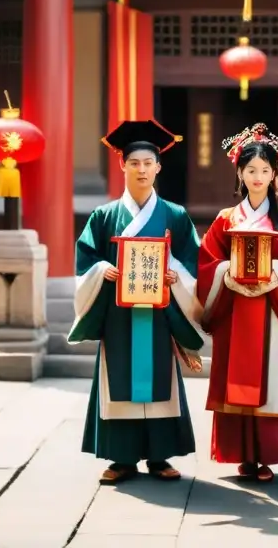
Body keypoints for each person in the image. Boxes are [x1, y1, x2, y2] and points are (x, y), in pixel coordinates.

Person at [68, 119, 204, 485]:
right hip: (119, 315)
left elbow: (193, 261)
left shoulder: (175, 215)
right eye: (134, 163)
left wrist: (176, 273)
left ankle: (159, 457)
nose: (142, 170)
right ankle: (121, 458)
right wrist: (101, 272)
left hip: (161, 313)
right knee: (120, 378)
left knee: (161, 379)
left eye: (148, 163)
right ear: (122, 166)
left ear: (159, 166)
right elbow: (85, 261)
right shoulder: (104, 216)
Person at [196, 123, 278, 483]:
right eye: (251, 170)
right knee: (236, 376)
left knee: (270, 376)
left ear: (275, 174)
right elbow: (207, 263)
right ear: (239, 172)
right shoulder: (224, 219)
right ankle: (241, 454)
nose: (258, 177)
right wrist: (227, 275)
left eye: (265, 170)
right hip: (234, 311)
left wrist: (273, 274)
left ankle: (265, 454)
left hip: (271, 312)